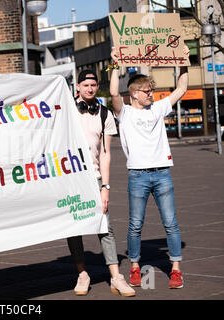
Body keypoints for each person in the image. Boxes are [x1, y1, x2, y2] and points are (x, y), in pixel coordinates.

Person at [109, 46, 189, 289]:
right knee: (135, 224)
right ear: (134, 94)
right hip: (138, 175)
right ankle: (135, 267)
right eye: (147, 91)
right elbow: (113, 92)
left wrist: (183, 62)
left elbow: (182, 88)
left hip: (162, 172)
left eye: (152, 90)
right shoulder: (125, 113)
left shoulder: (158, 108)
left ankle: (176, 270)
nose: (151, 94)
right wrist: (114, 65)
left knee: (171, 223)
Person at [67, 70, 135, 297]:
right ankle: (82, 274)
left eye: (93, 85)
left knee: (105, 226)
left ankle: (116, 277)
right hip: (71, 178)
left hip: (95, 178)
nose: (89, 88)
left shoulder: (104, 114)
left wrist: (105, 187)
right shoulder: (66, 111)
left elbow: (105, 154)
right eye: (85, 85)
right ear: (77, 87)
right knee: (74, 228)